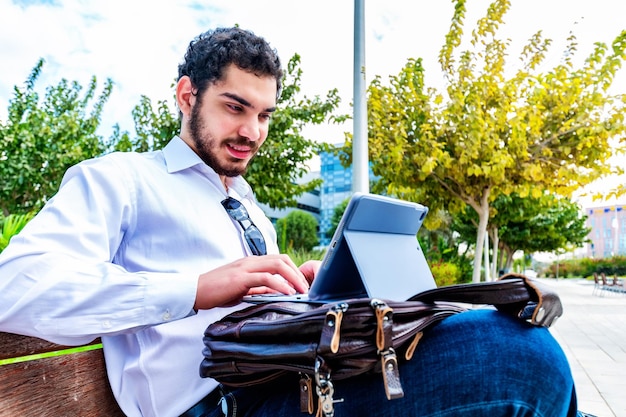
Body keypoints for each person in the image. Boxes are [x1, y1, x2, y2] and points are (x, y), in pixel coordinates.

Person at [0, 27, 580, 417]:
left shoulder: (246, 202)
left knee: (507, 334)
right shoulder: (120, 180)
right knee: (519, 355)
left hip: (290, 371)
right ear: (185, 95)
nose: (252, 132)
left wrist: (304, 295)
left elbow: (253, 311)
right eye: (234, 107)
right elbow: (15, 286)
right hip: (219, 402)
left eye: (264, 114)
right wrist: (200, 288)